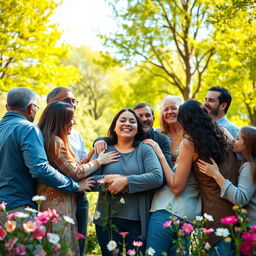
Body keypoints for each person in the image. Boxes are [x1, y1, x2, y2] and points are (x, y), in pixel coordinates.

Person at [145, 100, 239, 255]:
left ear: (185, 122)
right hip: (232, 207)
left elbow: (176, 187)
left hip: (205, 211)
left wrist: (160, 155)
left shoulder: (190, 143)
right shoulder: (224, 133)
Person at [37, 101, 119, 254]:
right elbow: (75, 173)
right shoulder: (55, 142)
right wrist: (99, 161)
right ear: (61, 120)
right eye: (71, 119)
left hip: (61, 200)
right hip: (56, 204)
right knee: (61, 245)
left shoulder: (54, 139)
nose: (74, 122)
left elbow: (70, 167)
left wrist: (92, 154)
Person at [0, 87, 89, 223]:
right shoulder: (28, 128)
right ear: (30, 107)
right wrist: (74, 185)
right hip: (17, 208)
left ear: (7, 107)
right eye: (36, 106)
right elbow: (40, 169)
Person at [91, 108, 163, 256]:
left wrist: (126, 181)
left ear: (137, 129)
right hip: (107, 220)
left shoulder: (145, 150)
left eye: (132, 121)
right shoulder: (103, 149)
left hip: (137, 223)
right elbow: (89, 180)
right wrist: (109, 182)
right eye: (122, 120)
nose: (127, 124)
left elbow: (157, 177)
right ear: (114, 127)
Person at [47, 87, 89, 256]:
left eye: (74, 101)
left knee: (79, 246)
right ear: (51, 104)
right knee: (61, 248)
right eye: (67, 101)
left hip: (80, 199)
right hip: (58, 199)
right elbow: (74, 172)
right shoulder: (41, 132)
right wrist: (75, 183)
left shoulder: (76, 134)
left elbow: (81, 164)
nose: (72, 104)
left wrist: (100, 144)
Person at [197, 126, 256, 227]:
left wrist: (216, 174)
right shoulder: (248, 164)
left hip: (251, 228)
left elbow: (240, 198)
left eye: (237, 139)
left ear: (247, 145)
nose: (233, 140)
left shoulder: (249, 166)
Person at [94, 102, 172, 166]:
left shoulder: (162, 139)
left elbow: (166, 170)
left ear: (153, 119)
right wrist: (100, 140)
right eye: (140, 116)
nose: (144, 119)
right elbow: (112, 139)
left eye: (147, 115)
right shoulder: (127, 136)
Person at [156, 95, 184, 167]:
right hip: (163, 176)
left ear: (182, 110)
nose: (169, 112)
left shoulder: (190, 132)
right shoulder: (157, 133)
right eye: (165, 109)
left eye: (173, 108)